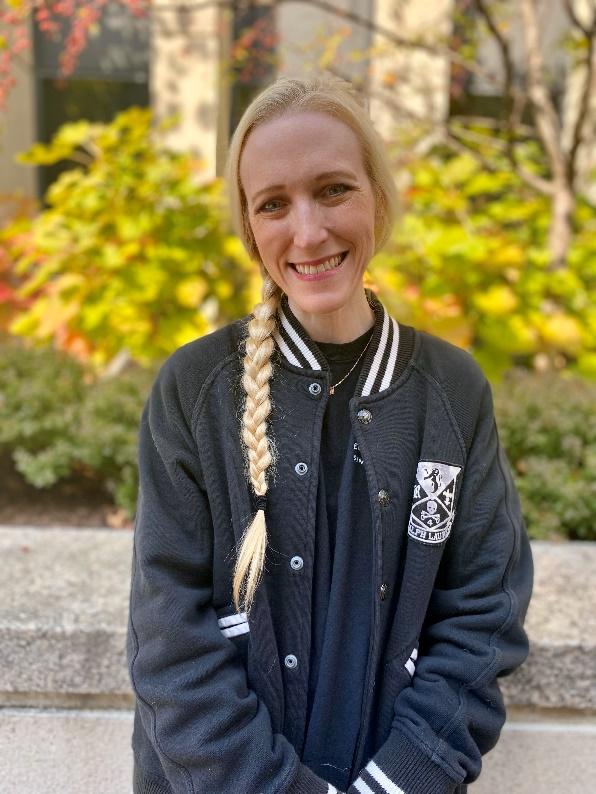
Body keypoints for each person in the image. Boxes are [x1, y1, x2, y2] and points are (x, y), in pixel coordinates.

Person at [126, 76, 533, 794]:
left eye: (335, 189)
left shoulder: (453, 393)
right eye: (273, 204)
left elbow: (483, 619)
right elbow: (169, 646)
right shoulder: (193, 391)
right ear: (250, 227)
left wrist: (399, 781)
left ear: (379, 195)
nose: (307, 232)